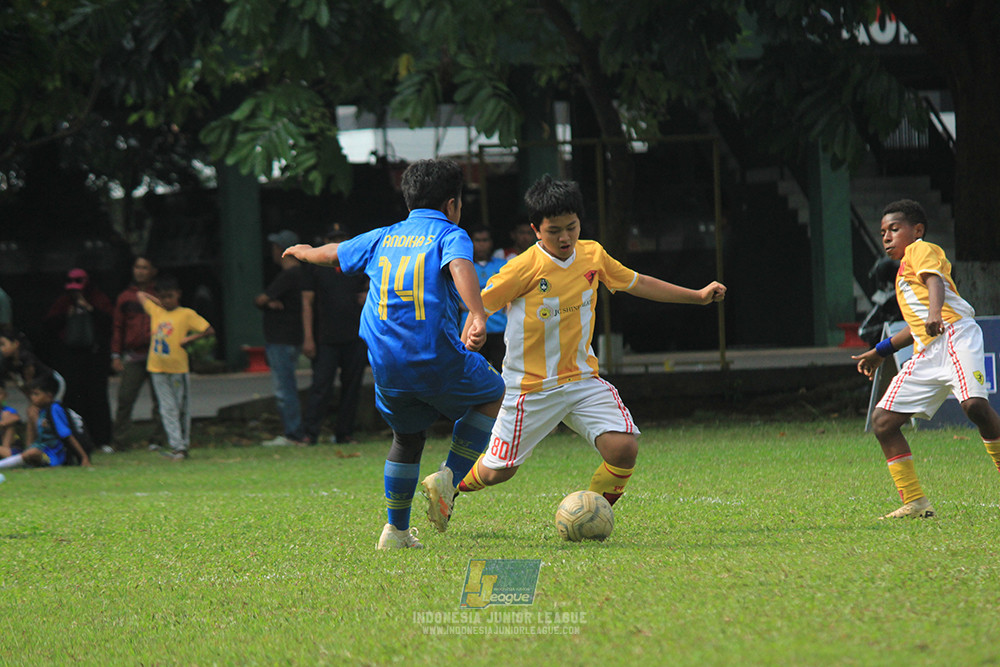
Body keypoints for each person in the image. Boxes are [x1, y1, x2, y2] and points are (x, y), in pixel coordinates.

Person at [455, 175, 726, 513]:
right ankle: (451, 486)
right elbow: (480, 303)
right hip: (531, 387)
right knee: (500, 471)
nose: (566, 237)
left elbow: (637, 282)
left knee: (623, 448)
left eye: (572, 226)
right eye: (554, 230)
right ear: (536, 230)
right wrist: (476, 325)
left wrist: (696, 296)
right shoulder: (521, 268)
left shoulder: (593, 255)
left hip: (582, 379)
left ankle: (592, 515)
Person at [284, 158, 504, 550]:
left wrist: (305, 251)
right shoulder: (450, 234)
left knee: (406, 437)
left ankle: (395, 532)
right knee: (494, 393)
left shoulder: (384, 236)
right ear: (452, 205)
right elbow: (460, 267)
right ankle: (449, 480)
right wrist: (476, 313)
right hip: (434, 356)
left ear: (408, 201)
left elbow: (334, 254)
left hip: (385, 363)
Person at [853, 199, 1000, 519]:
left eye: (894, 229)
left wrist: (936, 312)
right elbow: (916, 328)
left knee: (974, 406)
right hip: (929, 350)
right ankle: (916, 502)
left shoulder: (921, 249)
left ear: (916, 230)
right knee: (883, 421)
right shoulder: (903, 275)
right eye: (882, 233)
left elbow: (934, 282)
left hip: (956, 334)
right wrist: (880, 352)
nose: (887, 237)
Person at [298, 223, 368, 446]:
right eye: (333, 239)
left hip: (355, 335)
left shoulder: (357, 265)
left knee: (352, 386)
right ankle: (310, 433)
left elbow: (375, 287)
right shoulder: (315, 268)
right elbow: (306, 303)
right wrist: (308, 337)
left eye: (342, 238)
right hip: (325, 336)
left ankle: (344, 433)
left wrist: (367, 294)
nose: (337, 243)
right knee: (321, 386)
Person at [137, 274, 215, 461]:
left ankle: (182, 445)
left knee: (181, 407)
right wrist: (159, 301)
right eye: (163, 297)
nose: (166, 301)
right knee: (167, 408)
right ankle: (176, 446)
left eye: (170, 296)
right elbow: (141, 295)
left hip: (178, 369)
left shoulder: (186, 314)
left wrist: (189, 338)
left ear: (178, 294)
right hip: (157, 368)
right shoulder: (157, 311)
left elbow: (208, 330)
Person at [43, 268, 113, 450]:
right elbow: (50, 326)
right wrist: (68, 314)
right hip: (71, 358)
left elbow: (108, 324)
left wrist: (89, 308)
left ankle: (102, 439)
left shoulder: (98, 299)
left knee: (97, 398)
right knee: (74, 397)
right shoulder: (63, 303)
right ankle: (77, 438)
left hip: (94, 357)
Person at [256, 229, 306, 446]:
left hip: (282, 338)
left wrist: (267, 301)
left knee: (284, 388)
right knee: (287, 386)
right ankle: (294, 432)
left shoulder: (289, 275)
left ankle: (293, 433)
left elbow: (260, 299)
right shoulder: (302, 274)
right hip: (291, 337)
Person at [110, 255, 165, 450]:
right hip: (134, 355)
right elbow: (118, 327)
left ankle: (158, 440)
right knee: (125, 398)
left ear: (153, 271)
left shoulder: (160, 295)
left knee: (160, 400)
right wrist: (116, 354)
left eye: (144, 267)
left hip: (158, 354)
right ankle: (120, 442)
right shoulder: (125, 297)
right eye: (137, 267)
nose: (140, 271)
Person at [0, 375, 91, 470]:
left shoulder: (54, 409)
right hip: (42, 450)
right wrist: (32, 420)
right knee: (30, 452)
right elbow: (33, 441)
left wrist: (84, 457)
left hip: (55, 453)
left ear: (49, 395)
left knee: (32, 453)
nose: (32, 398)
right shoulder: (40, 411)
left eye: (36, 394)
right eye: (31, 394)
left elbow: (66, 434)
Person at [0, 326, 66, 447]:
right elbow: (21, 385)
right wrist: (32, 400)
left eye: (3, 344)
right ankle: (32, 446)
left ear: (15, 344)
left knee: (52, 412)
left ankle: (54, 443)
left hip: (53, 384)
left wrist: (33, 401)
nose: (1, 349)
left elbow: (30, 382)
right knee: (32, 412)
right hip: (37, 390)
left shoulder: (26, 358)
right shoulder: (7, 363)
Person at [469, 225, 508, 371]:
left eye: (485, 240)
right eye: (477, 240)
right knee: (475, 372)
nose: (481, 244)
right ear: (471, 242)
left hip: (500, 327)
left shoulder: (503, 265)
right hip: (471, 330)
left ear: (491, 242)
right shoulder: (463, 267)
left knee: (501, 371)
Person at [0, 381, 21, 454]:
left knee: (6, 415)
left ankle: (5, 450)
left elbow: (16, 418)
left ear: (5, 395)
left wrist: (2, 424)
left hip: (9, 445)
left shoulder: (7, 410)